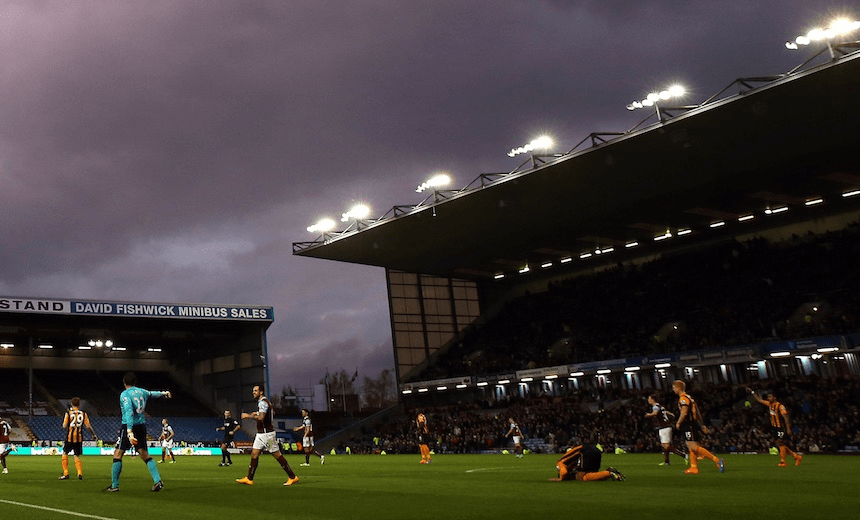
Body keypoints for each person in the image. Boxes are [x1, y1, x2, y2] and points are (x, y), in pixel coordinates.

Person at [105, 371, 172, 492]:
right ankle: (158, 481)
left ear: (124, 382)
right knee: (145, 454)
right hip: (141, 426)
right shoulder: (142, 391)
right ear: (135, 382)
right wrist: (164, 393)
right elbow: (152, 394)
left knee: (118, 454)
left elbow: (129, 412)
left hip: (128, 426)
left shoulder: (125, 394)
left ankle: (115, 485)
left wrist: (129, 431)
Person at [236, 384, 299, 486]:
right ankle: (249, 479)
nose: (253, 392)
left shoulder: (263, 403)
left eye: (256, 390)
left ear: (261, 392)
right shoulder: (263, 403)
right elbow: (258, 414)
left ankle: (292, 477)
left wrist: (247, 416)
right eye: (253, 391)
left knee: (277, 455)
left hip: (267, 435)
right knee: (254, 454)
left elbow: (261, 417)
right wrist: (251, 414)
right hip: (261, 435)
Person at [673, 380, 724, 475]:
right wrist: (701, 425)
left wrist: (678, 423)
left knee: (693, 446)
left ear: (678, 388)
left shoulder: (683, 398)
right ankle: (693, 467)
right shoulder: (690, 398)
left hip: (688, 424)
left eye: (674, 388)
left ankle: (717, 460)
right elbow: (697, 411)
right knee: (691, 446)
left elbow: (684, 412)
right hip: (693, 424)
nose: (673, 390)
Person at [747, 387, 802, 467]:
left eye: (770, 396)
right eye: (768, 397)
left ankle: (783, 461)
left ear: (774, 397)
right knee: (779, 443)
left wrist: (788, 428)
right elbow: (759, 400)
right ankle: (796, 456)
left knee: (780, 442)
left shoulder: (780, 406)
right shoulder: (769, 404)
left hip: (780, 427)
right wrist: (752, 392)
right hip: (774, 427)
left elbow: (786, 418)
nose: (768, 398)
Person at [60, 397, 98, 480]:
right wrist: (93, 435)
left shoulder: (68, 413)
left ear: (71, 404)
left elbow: (64, 426)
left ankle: (66, 473)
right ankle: (79, 473)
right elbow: (88, 426)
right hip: (79, 438)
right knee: (76, 455)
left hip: (70, 438)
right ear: (79, 404)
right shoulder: (83, 414)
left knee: (65, 453)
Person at [644, 394, 686, 466]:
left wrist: (648, 415)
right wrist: (671, 414)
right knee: (664, 446)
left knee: (666, 446)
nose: (648, 400)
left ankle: (683, 454)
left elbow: (655, 413)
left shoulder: (655, 407)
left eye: (649, 398)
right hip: (665, 427)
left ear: (653, 400)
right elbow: (665, 412)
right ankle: (667, 461)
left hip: (664, 427)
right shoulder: (660, 406)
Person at [550, 443, 625, 482]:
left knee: (583, 477)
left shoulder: (561, 462)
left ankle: (608, 473)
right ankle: (608, 471)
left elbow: (563, 471)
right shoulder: (572, 460)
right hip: (594, 450)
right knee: (593, 474)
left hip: (586, 451)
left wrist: (561, 479)